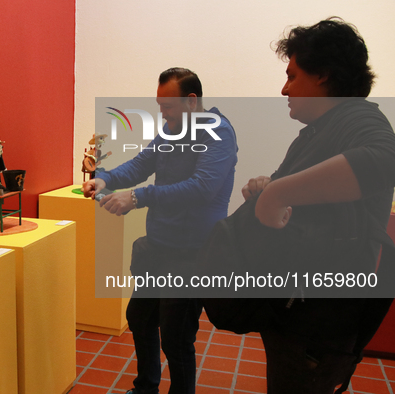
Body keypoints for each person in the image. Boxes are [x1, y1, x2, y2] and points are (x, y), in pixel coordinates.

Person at [241, 18, 395, 393]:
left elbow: (382, 159)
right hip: (297, 314)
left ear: (323, 75)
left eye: (293, 76)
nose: (284, 88)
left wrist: (277, 195)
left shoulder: (360, 118)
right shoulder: (315, 134)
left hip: (319, 325)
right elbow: (291, 192)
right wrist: (268, 186)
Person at [83, 68, 238, 394]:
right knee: (139, 318)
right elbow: (141, 164)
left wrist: (138, 197)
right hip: (159, 247)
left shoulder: (218, 134)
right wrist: (105, 178)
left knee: (176, 337)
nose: (162, 113)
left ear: (191, 101)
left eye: (167, 106)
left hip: (192, 254)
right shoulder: (172, 130)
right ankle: (146, 387)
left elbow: (202, 188)